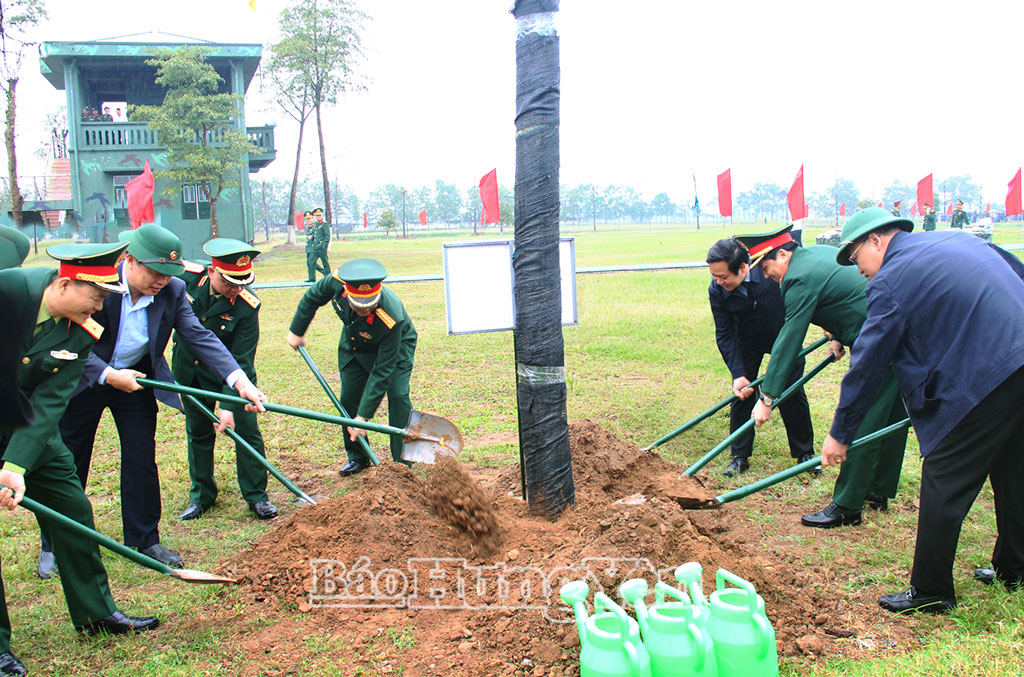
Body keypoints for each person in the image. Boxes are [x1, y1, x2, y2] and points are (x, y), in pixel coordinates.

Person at [825, 207, 1024, 613]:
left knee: (945, 475)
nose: (858, 269)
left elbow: (867, 364)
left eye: (855, 256)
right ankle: (1014, 568)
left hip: (989, 373)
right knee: (1013, 466)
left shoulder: (892, 279)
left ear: (876, 240)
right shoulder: (957, 239)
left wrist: (841, 433)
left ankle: (931, 590)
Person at [51, 223, 267, 574]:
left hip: (137, 379)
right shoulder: (99, 284)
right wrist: (108, 375)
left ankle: (144, 538)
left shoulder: (173, 290)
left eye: (168, 274)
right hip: (84, 378)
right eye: (154, 272)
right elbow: (69, 342)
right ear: (129, 261)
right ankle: (56, 544)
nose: (162, 281)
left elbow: (197, 335)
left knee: (141, 458)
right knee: (70, 461)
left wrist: (238, 379)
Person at [1, 242, 161, 674]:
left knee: (73, 510)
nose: (99, 309)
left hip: (31, 429)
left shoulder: (81, 330)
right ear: (64, 285)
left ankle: (96, 613)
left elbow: (50, 400)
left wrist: (15, 465)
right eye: (95, 298)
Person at [737, 224, 909, 528]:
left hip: (880, 342)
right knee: (890, 416)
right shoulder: (818, 255)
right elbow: (846, 296)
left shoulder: (798, 277)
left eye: (765, 267)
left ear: (783, 254)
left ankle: (847, 505)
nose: (766, 275)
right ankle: (877, 490)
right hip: (898, 332)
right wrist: (838, 334)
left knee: (864, 419)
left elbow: (789, 338)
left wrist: (767, 397)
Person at [172, 239, 277, 521]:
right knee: (198, 432)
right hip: (189, 370)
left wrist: (228, 405)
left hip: (231, 375)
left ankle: (257, 496)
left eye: (243, 282)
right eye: (230, 282)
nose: (237, 289)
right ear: (211, 272)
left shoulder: (247, 305)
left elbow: (242, 358)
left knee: (247, 431)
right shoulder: (184, 278)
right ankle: (201, 496)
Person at [287, 258, 417, 476]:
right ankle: (358, 457)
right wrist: (296, 331)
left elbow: (382, 371)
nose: (364, 310)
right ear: (346, 293)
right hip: (355, 344)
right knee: (349, 397)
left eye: (370, 305)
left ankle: (402, 465)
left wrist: (363, 417)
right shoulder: (336, 282)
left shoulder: (392, 316)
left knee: (398, 395)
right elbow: (312, 297)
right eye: (358, 305)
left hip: (395, 346)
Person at [706, 238, 815, 477]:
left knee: (791, 392)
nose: (718, 282)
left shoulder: (770, 274)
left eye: (723, 276)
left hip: (783, 338)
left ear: (743, 267)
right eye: (714, 276)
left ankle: (805, 453)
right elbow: (724, 333)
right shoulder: (717, 290)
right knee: (742, 394)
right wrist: (738, 373)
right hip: (746, 341)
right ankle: (739, 456)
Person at [303, 211, 325, 283]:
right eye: (307, 219)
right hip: (309, 247)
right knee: (309, 263)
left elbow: (319, 235)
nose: (308, 220)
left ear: (313, 218)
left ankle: (324, 272)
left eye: (309, 218)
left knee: (311, 262)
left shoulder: (316, 226)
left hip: (314, 246)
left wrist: (312, 237)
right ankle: (311, 278)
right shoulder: (308, 227)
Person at [311, 207, 331, 279]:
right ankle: (324, 272)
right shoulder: (315, 224)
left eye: (320, 215)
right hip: (315, 246)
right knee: (311, 262)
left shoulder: (324, 224)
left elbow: (327, 235)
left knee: (325, 261)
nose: (319, 217)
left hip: (322, 246)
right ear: (314, 216)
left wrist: (324, 245)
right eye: (317, 215)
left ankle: (328, 276)